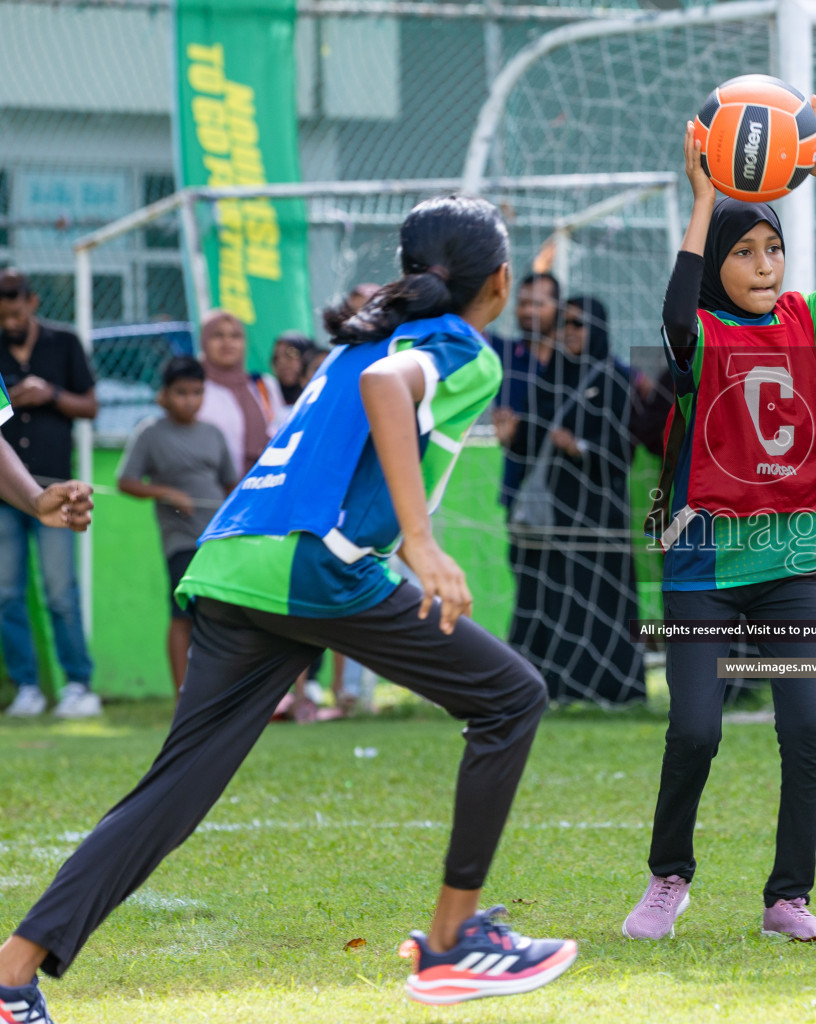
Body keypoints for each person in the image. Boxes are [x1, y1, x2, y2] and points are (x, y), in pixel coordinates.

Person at [0, 196, 577, 1022]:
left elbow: (368, 389)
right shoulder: (454, 349)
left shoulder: (368, 334)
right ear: (502, 281)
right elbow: (386, 391)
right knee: (512, 696)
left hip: (238, 559)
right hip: (316, 567)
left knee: (171, 794)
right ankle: (453, 944)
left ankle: (10, 974)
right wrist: (419, 539)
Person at [621, 98, 816, 944]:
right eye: (746, 250)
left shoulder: (805, 319)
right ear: (717, 265)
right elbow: (674, 310)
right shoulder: (698, 330)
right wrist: (703, 196)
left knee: (809, 729)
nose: (766, 260)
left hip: (785, 565)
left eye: (774, 245)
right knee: (697, 729)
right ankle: (669, 878)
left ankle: (788, 899)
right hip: (705, 566)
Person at [507, 296, 646, 706]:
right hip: (555, 511)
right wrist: (512, 436)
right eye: (564, 324)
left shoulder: (618, 378)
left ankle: (610, 687)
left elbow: (625, 447)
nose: (569, 332)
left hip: (600, 512)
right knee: (553, 595)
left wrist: (580, 447)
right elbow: (530, 439)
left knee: (602, 595)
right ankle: (556, 685)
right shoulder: (550, 378)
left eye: (578, 324)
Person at [0, 268, 101, 720]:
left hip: (47, 488)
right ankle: (27, 687)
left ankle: (78, 684)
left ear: (32, 299)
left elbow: (91, 403)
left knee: (61, 591)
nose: (8, 305)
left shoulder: (62, 342)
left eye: (14, 295)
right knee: (6, 594)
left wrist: (51, 394)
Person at [116, 357, 239, 695]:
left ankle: (220, 692)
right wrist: (165, 492)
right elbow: (126, 481)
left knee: (223, 615)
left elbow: (231, 484)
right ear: (164, 395)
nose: (190, 400)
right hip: (180, 540)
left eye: (197, 392)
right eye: (181, 392)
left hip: (216, 537)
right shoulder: (150, 433)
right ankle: (182, 696)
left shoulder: (213, 433)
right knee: (183, 612)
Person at [494, 272, 561, 507]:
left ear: (558, 308)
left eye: (538, 304)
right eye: (523, 303)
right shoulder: (502, 353)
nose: (528, 311)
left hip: (570, 489)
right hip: (520, 488)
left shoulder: (573, 358)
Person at [196, 310, 284, 475]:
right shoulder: (196, 389)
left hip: (264, 482)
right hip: (213, 486)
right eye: (218, 335)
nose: (227, 342)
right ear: (204, 341)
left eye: (235, 336)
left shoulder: (264, 384)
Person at [270, 331, 317, 408]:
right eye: (276, 358)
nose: (281, 363)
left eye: (290, 354)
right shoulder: (270, 403)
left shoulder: (322, 395)